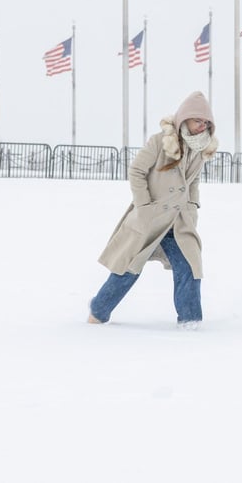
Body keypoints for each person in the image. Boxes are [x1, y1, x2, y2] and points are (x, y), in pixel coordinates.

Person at [88, 91, 219, 329]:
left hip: (178, 223)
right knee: (128, 269)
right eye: (198, 120)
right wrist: (144, 206)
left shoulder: (201, 149)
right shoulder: (160, 142)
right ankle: (97, 311)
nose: (202, 126)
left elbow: (194, 183)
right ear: (184, 119)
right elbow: (136, 171)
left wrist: (193, 206)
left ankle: (190, 321)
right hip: (151, 220)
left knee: (190, 266)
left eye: (206, 122)